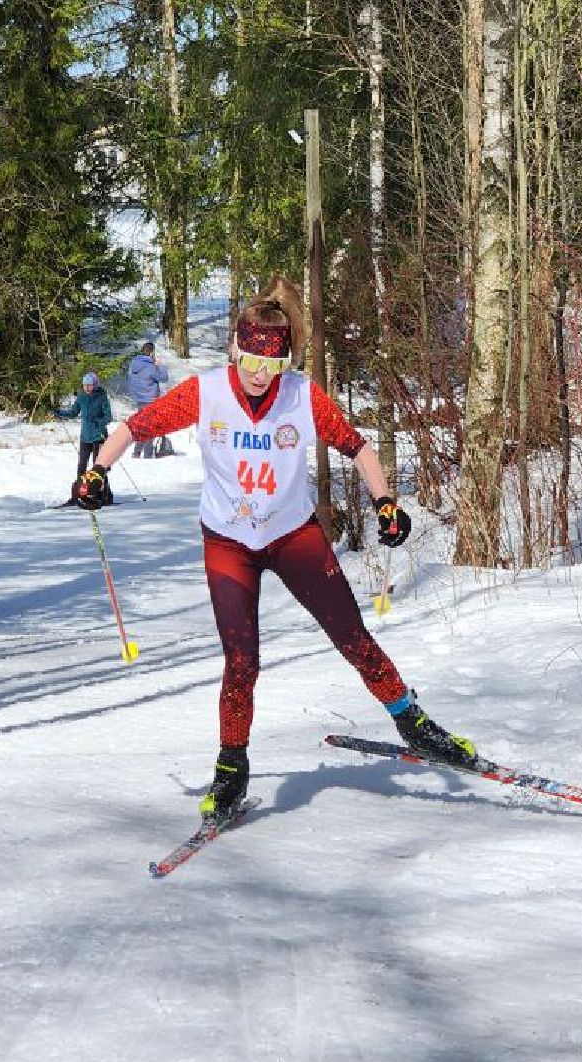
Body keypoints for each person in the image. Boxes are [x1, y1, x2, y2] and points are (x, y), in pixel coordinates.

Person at [74, 274, 479, 822]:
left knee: (352, 634)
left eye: (274, 365)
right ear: (236, 351)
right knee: (242, 659)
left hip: (293, 536)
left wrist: (386, 502)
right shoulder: (208, 391)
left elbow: (358, 448)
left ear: (286, 363)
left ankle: (413, 722)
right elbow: (135, 427)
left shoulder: (302, 395)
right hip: (228, 542)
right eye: (252, 362)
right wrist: (98, 471)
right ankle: (231, 765)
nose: (261, 376)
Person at [55, 372, 114, 505]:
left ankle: (103, 494)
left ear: (95, 385)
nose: (87, 388)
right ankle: (77, 495)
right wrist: (60, 413)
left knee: (98, 468)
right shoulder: (81, 398)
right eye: (85, 385)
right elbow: (73, 412)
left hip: (98, 436)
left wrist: (99, 422)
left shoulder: (101, 397)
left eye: (90, 385)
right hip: (85, 437)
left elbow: (108, 416)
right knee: (81, 467)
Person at [124, 341, 173, 458]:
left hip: (139, 398)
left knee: (141, 425)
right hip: (150, 399)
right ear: (151, 352)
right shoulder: (151, 366)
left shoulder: (134, 363)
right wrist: (158, 365)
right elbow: (164, 377)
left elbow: (130, 379)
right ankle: (147, 454)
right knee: (150, 427)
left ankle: (136, 453)